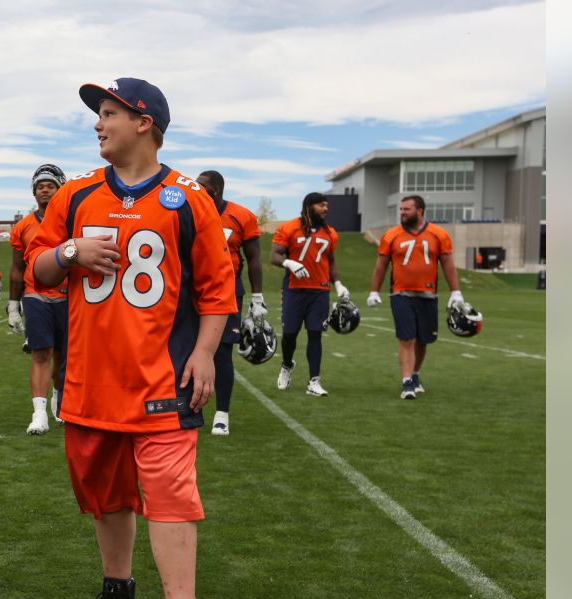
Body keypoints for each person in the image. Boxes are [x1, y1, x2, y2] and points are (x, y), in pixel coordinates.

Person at [27, 77, 235, 599]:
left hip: (163, 378)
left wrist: (203, 354)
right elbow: (39, 271)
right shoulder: (74, 195)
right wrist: (69, 253)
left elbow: (217, 291)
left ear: (144, 122)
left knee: (172, 496)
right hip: (91, 380)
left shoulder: (188, 197)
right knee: (107, 495)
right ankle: (119, 590)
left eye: (110, 112)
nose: (99, 123)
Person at [366, 195, 470, 399]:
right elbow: (381, 265)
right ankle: (406, 383)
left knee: (423, 340)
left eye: (407, 209)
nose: (402, 213)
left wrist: (455, 291)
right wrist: (374, 291)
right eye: (401, 209)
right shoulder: (391, 235)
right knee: (407, 338)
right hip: (401, 294)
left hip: (428, 294)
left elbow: (448, 264)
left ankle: (415, 374)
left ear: (420, 211)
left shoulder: (438, 234)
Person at [196, 171, 264, 435]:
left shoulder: (241, 215)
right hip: (194, 287)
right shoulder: (191, 210)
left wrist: (257, 297)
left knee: (222, 351)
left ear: (217, 191)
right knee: (190, 346)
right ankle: (193, 406)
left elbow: (254, 258)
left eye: (203, 187)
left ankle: (221, 413)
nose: (197, 190)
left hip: (227, 287)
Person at [8, 163, 68, 435]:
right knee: (41, 353)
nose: (45, 190)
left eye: (50, 186)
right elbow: (17, 268)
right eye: (40, 186)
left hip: (68, 296)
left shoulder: (73, 220)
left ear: (60, 188)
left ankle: (60, 398)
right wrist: (13, 305)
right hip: (36, 295)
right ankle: (39, 413)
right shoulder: (23, 226)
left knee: (66, 356)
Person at [270, 193, 348, 396]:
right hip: (294, 290)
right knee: (289, 334)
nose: (326, 209)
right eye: (321, 205)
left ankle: (314, 381)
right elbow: (274, 255)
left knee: (315, 334)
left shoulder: (330, 233)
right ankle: (287, 365)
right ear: (309, 206)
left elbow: (330, 261)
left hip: (319, 291)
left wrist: (338, 283)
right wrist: (289, 262)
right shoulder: (289, 228)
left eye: (327, 205)